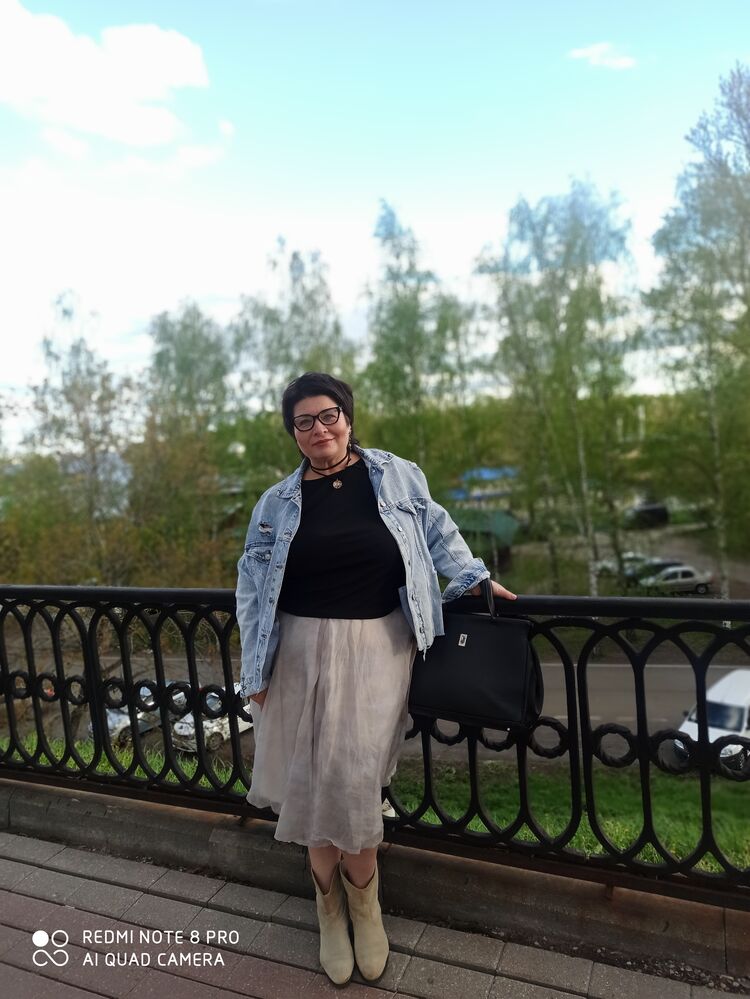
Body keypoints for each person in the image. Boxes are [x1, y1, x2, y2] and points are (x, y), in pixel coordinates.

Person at [235, 372, 516, 986]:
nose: (318, 429)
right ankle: (329, 911)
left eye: (328, 415)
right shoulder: (275, 503)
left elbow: (436, 529)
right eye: (303, 421)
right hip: (297, 654)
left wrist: (472, 577)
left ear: (348, 417)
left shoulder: (396, 475)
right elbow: (252, 590)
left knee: (356, 781)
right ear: (292, 433)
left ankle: (366, 906)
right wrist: (254, 669)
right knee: (311, 783)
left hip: (379, 650)